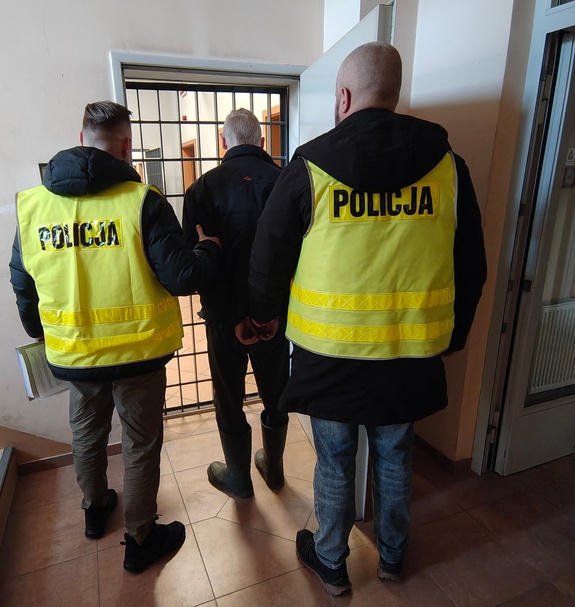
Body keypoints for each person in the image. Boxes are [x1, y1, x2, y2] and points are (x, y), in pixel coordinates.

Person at [244, 43, 487, 595]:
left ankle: (331, 560)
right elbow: (471, 262)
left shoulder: (309, 166)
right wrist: (455, 333)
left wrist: (262, 317)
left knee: (334, 460)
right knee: (396, 455)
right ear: (394, 94)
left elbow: (268, 255)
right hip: (409, 350)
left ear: (344, 96)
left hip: (330, 355)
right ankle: (393, 557)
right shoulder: (448, 168)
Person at [9, 100, 221, 574]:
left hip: (74, 355)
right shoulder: (143, 202)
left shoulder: (32, 207)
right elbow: (182, 276)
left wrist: (42, 335)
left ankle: (95, 509)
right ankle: (140, 538)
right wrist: (208, 249)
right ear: (126, 146)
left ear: (81, 140)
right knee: (140, 444)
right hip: (138, 353)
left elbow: (22, 285)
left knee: (86, 434)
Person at [182, 108, 290, 499]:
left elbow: (195, 264)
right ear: (261, 141)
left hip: (224, 318)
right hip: (274, 317)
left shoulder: (201, 190)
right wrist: (269, 313)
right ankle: (274, 469)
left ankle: (239, 479)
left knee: (228, 395)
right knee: (276, 391)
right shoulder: (285, 182)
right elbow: (298, 255)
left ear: (223, 142)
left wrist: (230, 317)